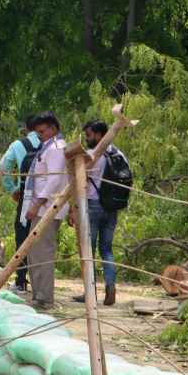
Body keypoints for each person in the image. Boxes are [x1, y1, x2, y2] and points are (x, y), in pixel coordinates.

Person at [72, 119, 126, 306]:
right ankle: (110, 287)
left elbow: (79, 181)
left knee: (89, 251)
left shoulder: (91, 155)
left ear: (99, 134)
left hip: (93, 205)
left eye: (89, 135)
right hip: (112, 207)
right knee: (107, 250)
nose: (87, 139)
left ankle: (90, 292)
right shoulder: (119, 154)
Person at [22, 112, 68, 310]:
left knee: (43, 252)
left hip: (48, 208)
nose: (39, 135)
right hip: (42, 207)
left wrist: (37, 204)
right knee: (35, 252)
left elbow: (54, 180)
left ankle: (44, 297)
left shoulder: (57, 148)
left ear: (53, 128)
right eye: (37, 132)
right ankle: (38, 293)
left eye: (42, 131)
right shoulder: (47, 147)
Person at [0, 114, 41, 293]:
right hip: (49, 197)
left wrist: (12, 189)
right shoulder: (53, 145)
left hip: (26, 195)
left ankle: (21, 281)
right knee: (43, 240)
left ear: (26, 128)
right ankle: (41, 284)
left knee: (22, 236)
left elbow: (2, 167)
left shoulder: (18, 145)